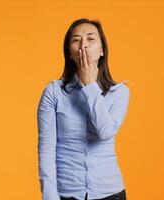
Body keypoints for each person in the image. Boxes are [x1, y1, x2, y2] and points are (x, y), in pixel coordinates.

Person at [37, 18, 130, 200]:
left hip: (111, 193)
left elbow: (105, 132)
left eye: (90, 39)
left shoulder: (119, 93)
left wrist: (90, 87)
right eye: (76, 40)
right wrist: (49, 196)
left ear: (102, 50)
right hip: (66, 193)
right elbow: (46, 148)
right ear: (69, 53)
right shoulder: (53, 92)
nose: (83, 45)